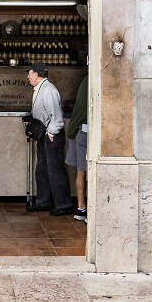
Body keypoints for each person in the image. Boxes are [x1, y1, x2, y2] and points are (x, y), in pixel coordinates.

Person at [27, 62, 72, 216]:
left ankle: (63, 205)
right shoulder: (40, 89)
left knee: (55, 171)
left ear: (38, 74)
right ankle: (43, 201)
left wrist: (51, 134)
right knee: (42, 169)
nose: (28, 76)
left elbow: (57, 117)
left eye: (30, 73)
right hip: (44, 134)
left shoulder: (49, 90)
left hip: (52, 135)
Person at [65, 74, 88, 222]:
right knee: (90, 173)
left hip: (79, 129)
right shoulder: (96, 79)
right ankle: (90, 211)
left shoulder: (85, 80)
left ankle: (81, 209)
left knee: (81, 172)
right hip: (88, 131)